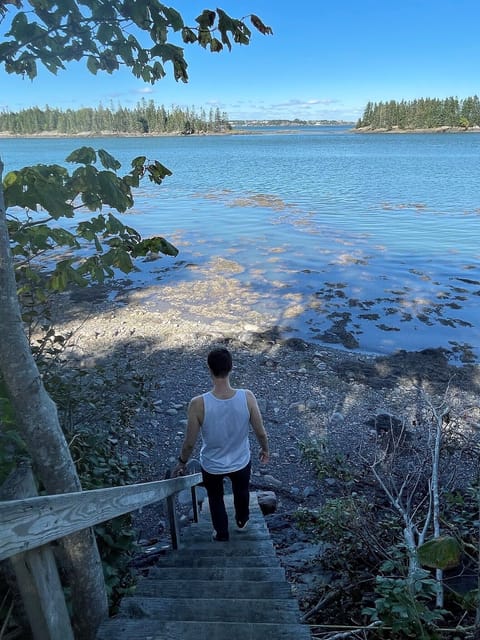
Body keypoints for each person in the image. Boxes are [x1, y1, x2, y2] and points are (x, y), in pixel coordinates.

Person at [173, 346, 269, 541]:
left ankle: (221, 532)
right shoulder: (247, 397)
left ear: (209, 369)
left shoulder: (198, 404)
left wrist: (182, 462)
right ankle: (242, 521)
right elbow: (260, 431)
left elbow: (189, 443)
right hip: (241, 460)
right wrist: (265, 449)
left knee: (215, 497)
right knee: (241, 491)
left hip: (212, 464)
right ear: (231, 368)